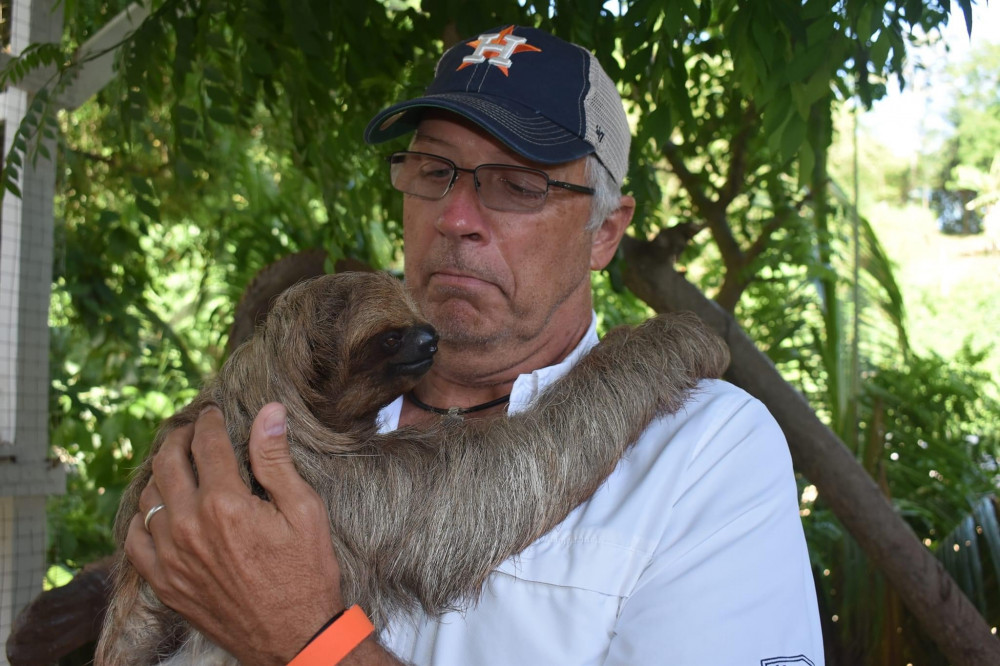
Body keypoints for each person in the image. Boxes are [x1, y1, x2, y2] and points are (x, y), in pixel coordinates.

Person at [125, 25, 824, 665]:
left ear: (606, 233)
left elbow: (518, 469)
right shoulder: (303, 401)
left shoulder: (704, 452)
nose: (456, 218)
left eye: (519, 185)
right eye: (434, 173)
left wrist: (310, 641)